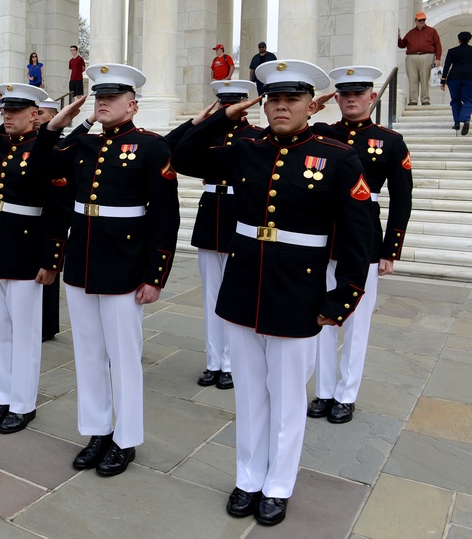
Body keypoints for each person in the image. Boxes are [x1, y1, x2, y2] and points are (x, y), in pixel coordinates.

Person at [172, 59, 373, 526]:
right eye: (273, 99)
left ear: (310, 105)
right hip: (243, 287)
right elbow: (181, 157)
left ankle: (278, 485)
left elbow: (360, 236)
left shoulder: (338, 156)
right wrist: (224, 115)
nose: (281, 107)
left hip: (298, 291)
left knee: (285, 398)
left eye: (292, 99)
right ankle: (248, 478)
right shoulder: (245, 146)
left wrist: (340, 300)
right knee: (248, 394)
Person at [49, 64, 180, 476]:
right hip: (83, 258)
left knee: (123, 357)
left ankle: (125, 440)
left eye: (112, 97)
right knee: (88, 353)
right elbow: (46, 160)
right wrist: (79, 119)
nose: (103, 102)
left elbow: (165, 217)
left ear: (133, 105)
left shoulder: (152, 147)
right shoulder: (84, 145)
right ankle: (97, 430)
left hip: (125, 264)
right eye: (98, 97)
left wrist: (155, 275)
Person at [0, 82, 71, 434]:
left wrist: (52, 260)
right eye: (4, 111)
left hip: (26, 247)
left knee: (24, 333)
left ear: (35, 115)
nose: (6, 117)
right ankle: (3, 396)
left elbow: (58, 209)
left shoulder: (48, 148)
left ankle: (23, 404)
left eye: (15, 112)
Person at [307, 66, 414, 425]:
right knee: (321, 315)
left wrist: (389, 250)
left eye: (358, 93)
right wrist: (313, 106)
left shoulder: (390, 140)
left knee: (356, 322)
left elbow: (402, 199)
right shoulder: (321, 134)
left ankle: (346, 394)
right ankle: (323, 391)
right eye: (344, 94)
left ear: (372, 96)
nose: (351, 99)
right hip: (323, 235)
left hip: (363, 235)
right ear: (336, 98)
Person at [173, 80, 265, 391]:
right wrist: (202, 122)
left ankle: (232, 363)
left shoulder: (256, 137)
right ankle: (214, 361)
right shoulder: (208, 137)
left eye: (234, 102)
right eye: (224, 104)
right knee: (211, 296)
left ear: (245, 103)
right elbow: (176, 154)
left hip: (241, 216)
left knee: (236, 295)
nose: (229, 108)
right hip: (211, 216)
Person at [34, 97, 62, 342]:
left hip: (48, 214)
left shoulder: (59, 145)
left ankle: (47, 324)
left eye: (40, 112)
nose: (35, 116)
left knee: (48, 274)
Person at [441, 31, 472, 135]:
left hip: (454, 77)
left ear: (458, 40)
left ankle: (456, 123)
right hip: (470, 77)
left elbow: (447, 65)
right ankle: (465, 119)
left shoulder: (452, 51)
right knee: (468, 100)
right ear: (469, 40)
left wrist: (443, 80)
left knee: (455, 100)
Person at [398, 11, 442, 105]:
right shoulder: (411, 33)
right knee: (412, 79)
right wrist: (398, 37)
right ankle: (413, 100)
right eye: (420, 20)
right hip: (412, 57)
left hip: (426, 56)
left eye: (423, 20)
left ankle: (425, 99)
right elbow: (402, 45)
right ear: (416, 21)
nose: (422, 21)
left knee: (425, 78)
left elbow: (438, 45)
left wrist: (437, 58)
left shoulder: (432, 31)